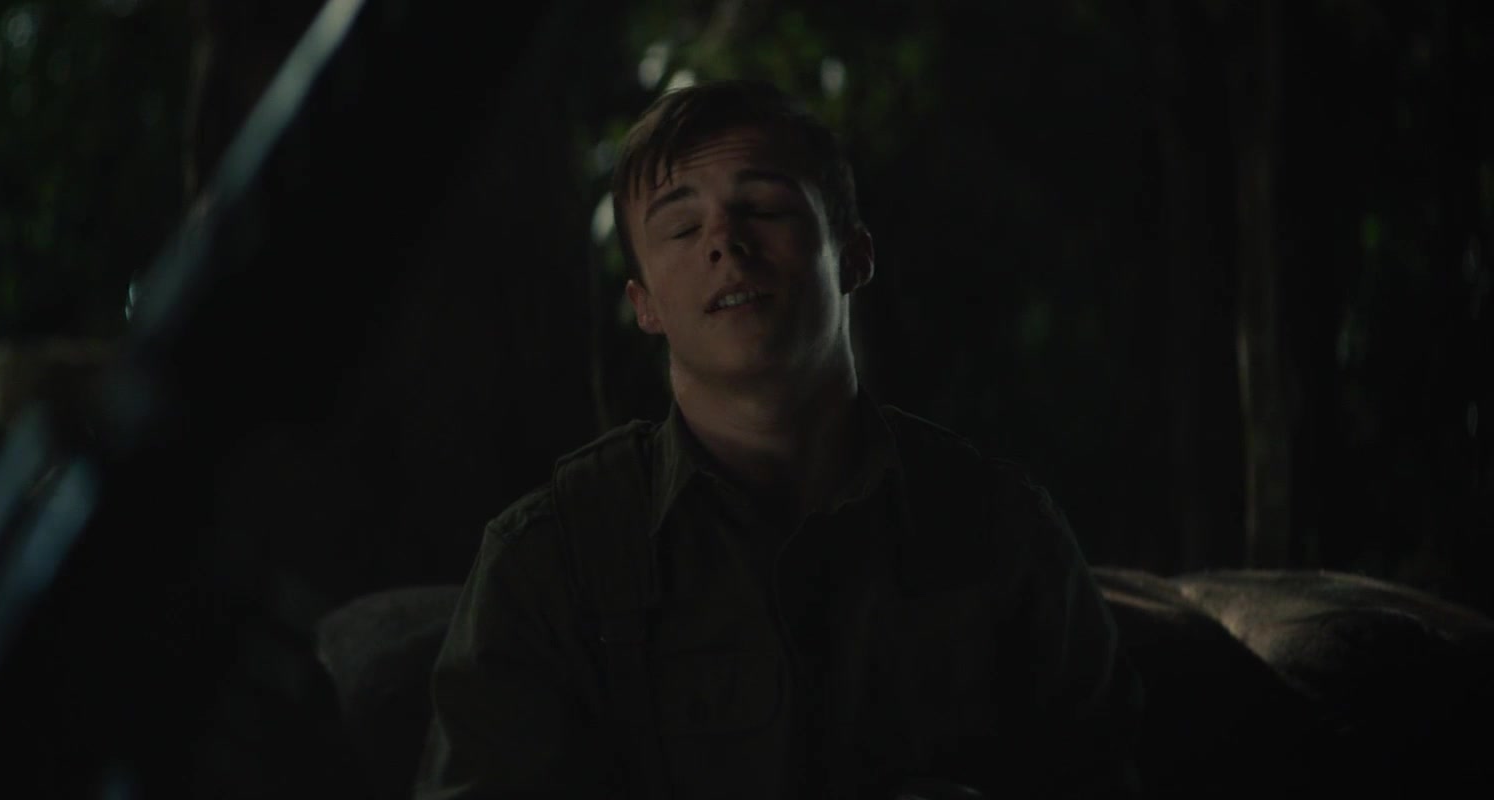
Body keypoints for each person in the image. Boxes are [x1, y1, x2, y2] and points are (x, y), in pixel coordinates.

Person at [414, 79, 1141, 800]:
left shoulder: (1000, 531)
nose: (724, 242)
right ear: (645, 304)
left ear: (853, 255)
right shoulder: (552, 563)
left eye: (762, 208)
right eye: (681, 227)